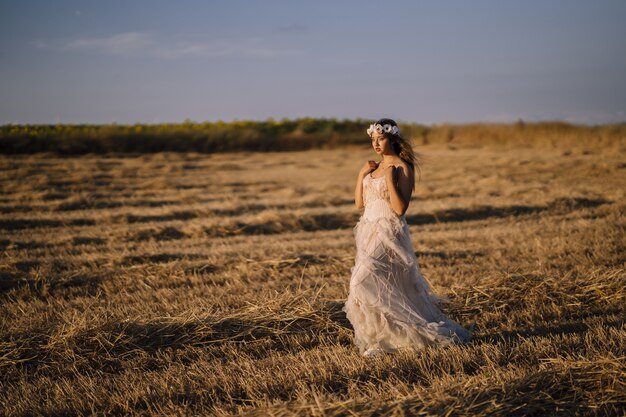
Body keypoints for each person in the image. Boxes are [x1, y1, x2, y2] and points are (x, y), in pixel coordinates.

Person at [341, 118, 473, 357]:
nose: (376, 144)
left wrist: (390, 180)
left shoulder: (402, 167)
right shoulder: (373, 168)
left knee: (361, 280)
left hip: (388, 231)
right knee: (384, 285)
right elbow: (360, 203)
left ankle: (410, 333)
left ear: (393, 139)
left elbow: (400, 208)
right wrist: (361, 174)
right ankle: (384, 339)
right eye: (373, 139)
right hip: (368, 230)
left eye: (380, 139)